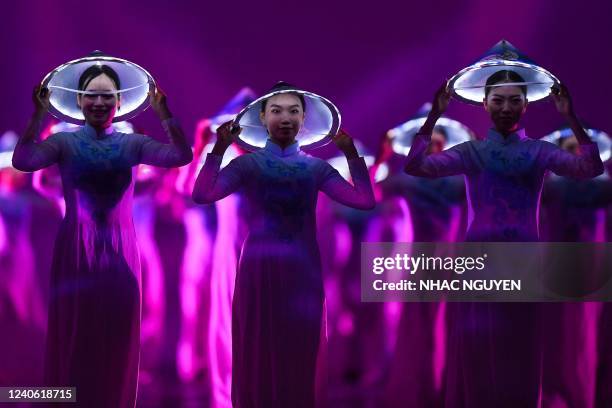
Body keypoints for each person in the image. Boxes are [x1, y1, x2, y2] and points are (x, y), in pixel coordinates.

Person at [404, 70, 604, 406]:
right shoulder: (472, 152)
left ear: (526, 105)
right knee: (478, 347)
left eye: (514, 100)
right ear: (485, 104)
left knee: (519, 349)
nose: (506, 107)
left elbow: (591, 168)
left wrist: (569, 115)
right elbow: (416, 166)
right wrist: (435, 113)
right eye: (498, 100)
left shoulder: (539, 152)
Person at [12, 63, 192, 407]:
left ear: (119, 103)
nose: (99, 102)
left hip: (121, 253)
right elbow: (23, 160)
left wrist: (162, 110)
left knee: (117, 337)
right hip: (76, 251)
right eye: (91, 95)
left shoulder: (132, 144)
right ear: (79, 102)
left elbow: (180, 155)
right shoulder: (64, 142)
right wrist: (37, 115)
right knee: (77, 338)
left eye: (107, 96)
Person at [192, 83, 375, 407]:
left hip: (302, 270)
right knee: (258, 347)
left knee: (299, 350)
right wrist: (218, 149)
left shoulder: (315, 167)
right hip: (258, 269)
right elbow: (202, 193)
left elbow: (363, 199)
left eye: (293, 111)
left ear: (304, 119)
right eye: (276, 111)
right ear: (262, 118)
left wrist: (350, 152)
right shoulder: (248, 165)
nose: (285, 118)